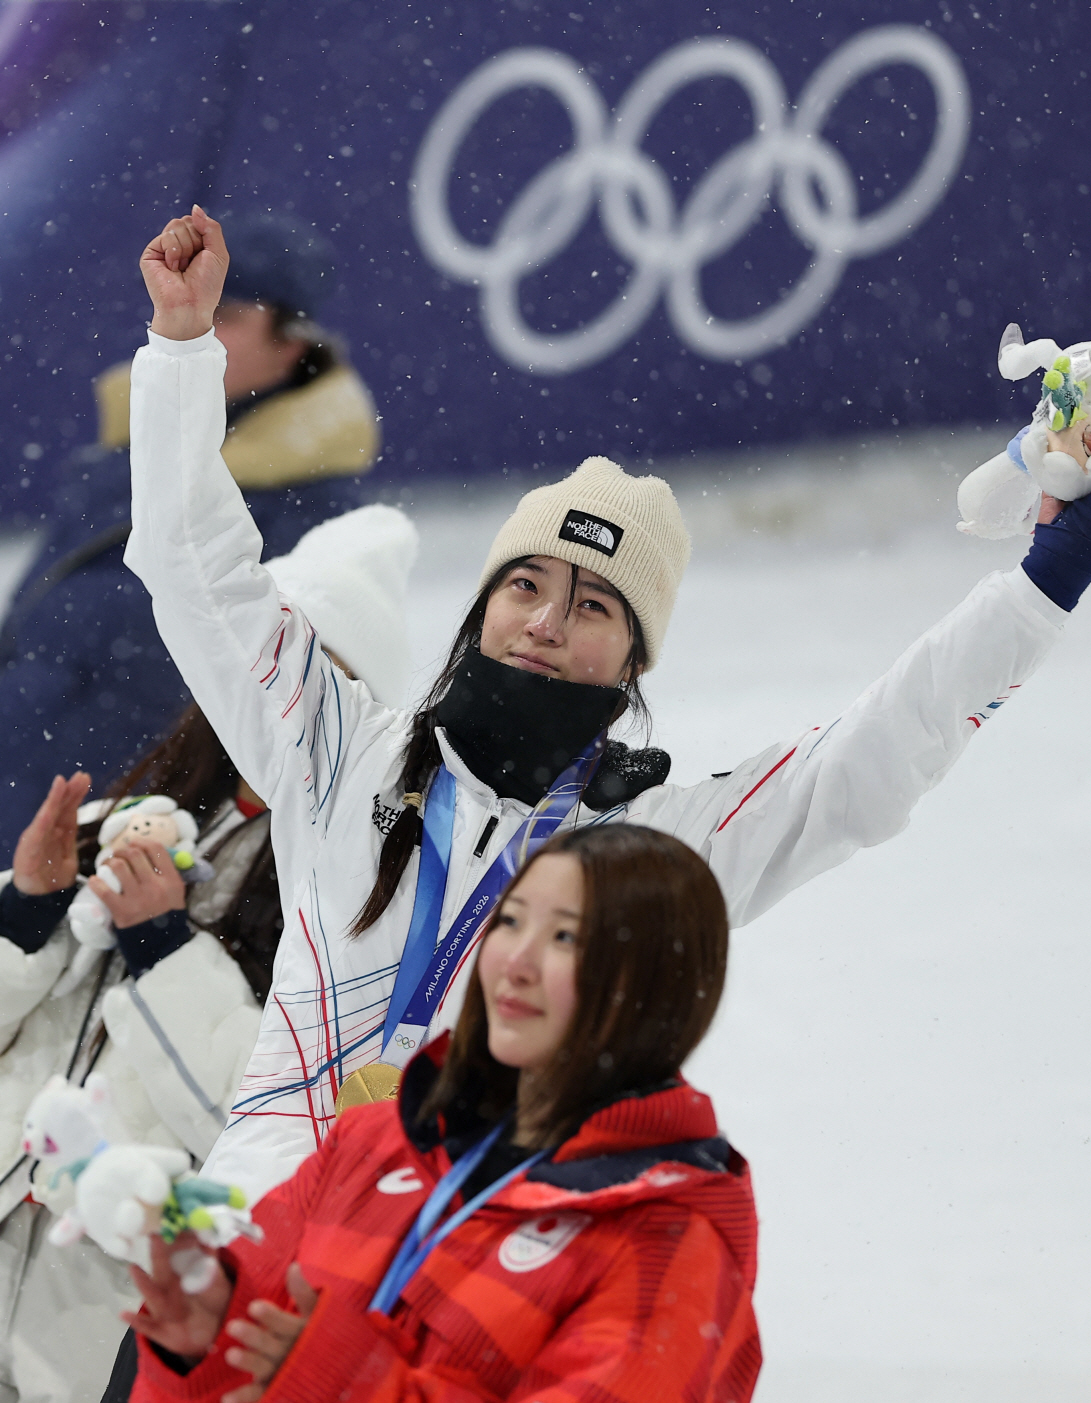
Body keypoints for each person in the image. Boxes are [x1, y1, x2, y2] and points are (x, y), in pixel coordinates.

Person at [129, 208, 1091, 1206]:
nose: (544, 619)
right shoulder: (340, 747)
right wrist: (182, 348)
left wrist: (1044, 581)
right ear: (483, 602)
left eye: (592, 604)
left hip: (442, 1308)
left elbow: (864, 762)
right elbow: (195, 570)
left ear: (634, 659)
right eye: (525, 584)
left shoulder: (642, 850)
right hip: (247, 1267)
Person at [0, 504, 417, 1403]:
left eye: (317, 672)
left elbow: (261, 1123)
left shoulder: (361, 896)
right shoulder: (122, 812)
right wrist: (25, 912)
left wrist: (158, 945)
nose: (276, 688)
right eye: (262, 653)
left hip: (113, 1302)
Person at [125, 825, 760, 1403]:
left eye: (566, 935)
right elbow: (252, 1358)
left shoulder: (667, 1248)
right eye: (510, 922)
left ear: (655, 982)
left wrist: (340, 1380)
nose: (515, 960)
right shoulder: (381, 1140)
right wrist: (208, 1340)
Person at [0, 211, 382, 863]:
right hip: (23, 791)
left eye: (230, 311)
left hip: (131, 835)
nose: (204, 318)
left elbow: (284, 711)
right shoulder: (120, 456)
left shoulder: (319, 510)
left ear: (292, 342)